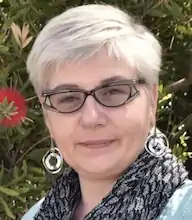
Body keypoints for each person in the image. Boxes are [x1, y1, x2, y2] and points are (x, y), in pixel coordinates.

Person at [22, 4, 192, 220]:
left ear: (152, 101)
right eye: (69, 98)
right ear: (48, 116)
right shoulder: (35, 216)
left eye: (113, 92)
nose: (92, 118)